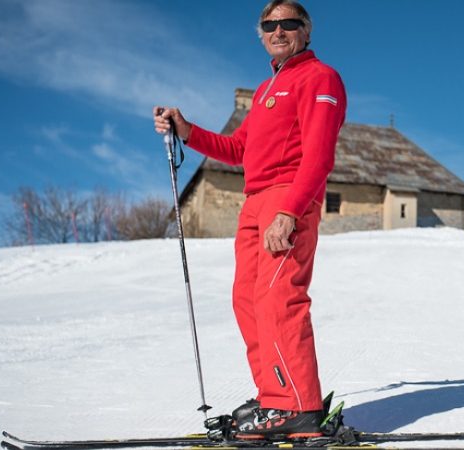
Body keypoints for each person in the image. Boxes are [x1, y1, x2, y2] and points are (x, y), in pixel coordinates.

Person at [153, 0, 346, 439]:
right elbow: (240, 150)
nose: (278, 31)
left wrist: (290, 211)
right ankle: (274, 396)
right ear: (261, 34)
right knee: (248, 301)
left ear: (306, 31)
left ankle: (298, 405)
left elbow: (319, 155)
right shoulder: (264, 91)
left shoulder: (321, 77)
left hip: (287, 198)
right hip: (254, 201)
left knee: (279, 297)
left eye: (288, 23)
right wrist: (187, 130)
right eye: (269, 25)